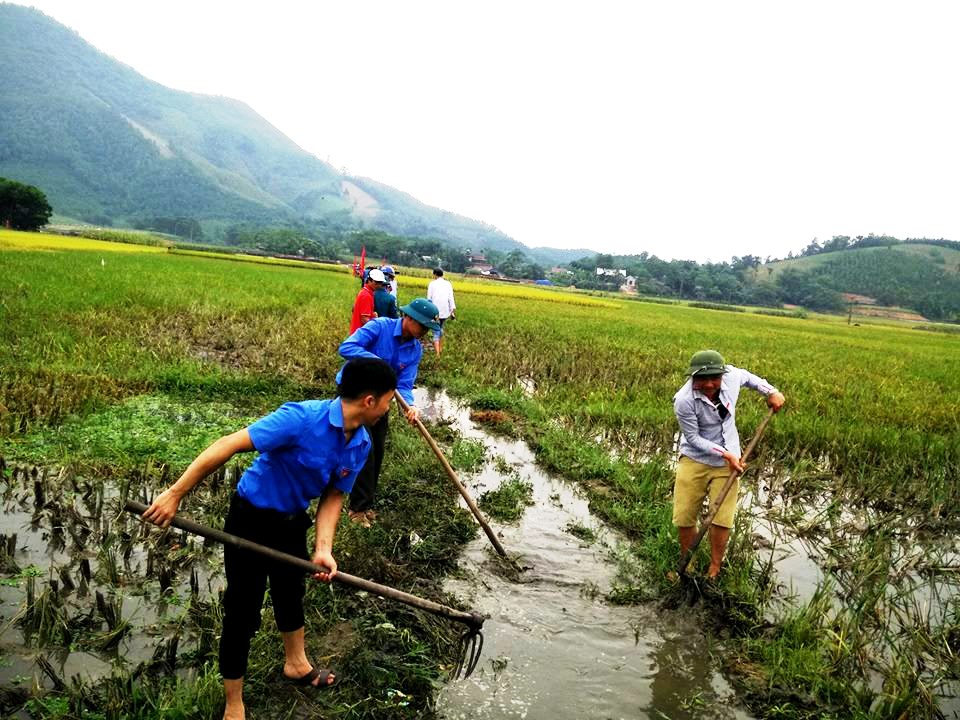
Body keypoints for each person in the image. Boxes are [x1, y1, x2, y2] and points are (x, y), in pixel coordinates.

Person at [141, 358, 398, 720]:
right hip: (251, 518)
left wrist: (323, 549)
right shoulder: (301, 419)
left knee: (290, 593)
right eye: (388, 400)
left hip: (291, 522)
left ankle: (296, 664)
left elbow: (334, 495)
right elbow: (229, 444)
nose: (390, 408)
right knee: (243, 609)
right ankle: (234, 703)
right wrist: (174, 493)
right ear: (370, 400)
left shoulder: (361, 444)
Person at [672, 350, 785, 578]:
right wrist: (726, 454)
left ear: (722, 375)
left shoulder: (731, 376)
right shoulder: (683, 401)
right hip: (695, 458)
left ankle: (714, 567)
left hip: (729, 462)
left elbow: (747, 376)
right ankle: (687, 564)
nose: (710, 384)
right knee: (684, 516)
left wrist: (771, 391)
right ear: (693, 377)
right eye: (703, 379)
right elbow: (694, 438)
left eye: (715, 378)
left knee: (722, 518)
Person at [337, 298, 441, 526]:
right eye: (422, 326)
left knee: (379, 449)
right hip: (356, 394)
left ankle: (367, 504)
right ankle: (357, 509)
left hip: (381, 400)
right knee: (366, 448)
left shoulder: (414, 350)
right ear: (409, 318)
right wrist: (378, 364)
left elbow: (404, 384)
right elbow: (346, 347)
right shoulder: (379, 327)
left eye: (427, 329)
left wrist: (410, 406)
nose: (424, 332)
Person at [426, 268, 456, 356]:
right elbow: (451, 298)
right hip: (445, 311)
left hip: (435, 311)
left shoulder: (432, 284)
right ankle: (440, 349)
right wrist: (452, 311)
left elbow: (429, 299)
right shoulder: (448, 284)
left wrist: (428, 311)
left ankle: (437, 354)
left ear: (435, 274)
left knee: (436, 331)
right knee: (440, 329)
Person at [349, 268, 386, 335]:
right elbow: (364, 320)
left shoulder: (364, 291)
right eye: (376, 282)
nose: (378, 285)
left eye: (380, 283)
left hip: (356, 332)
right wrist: (376, 325)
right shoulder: (366, 295)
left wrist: (372, 315)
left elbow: (354, 309)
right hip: (360, 334)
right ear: (369, 280)